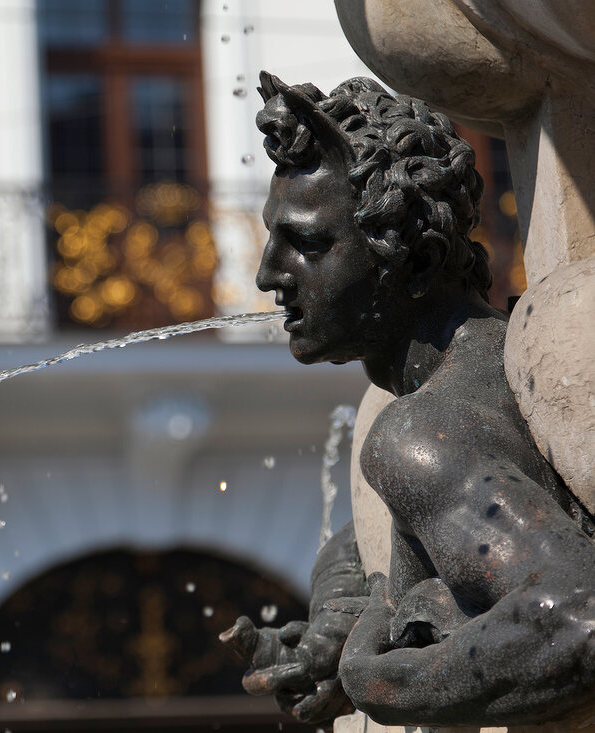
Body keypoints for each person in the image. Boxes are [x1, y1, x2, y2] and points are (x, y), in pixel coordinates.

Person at [221, 72, 595, 729]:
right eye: (274, 238)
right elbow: (449, 505)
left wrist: (376, 680)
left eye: (308, 244)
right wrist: (342, 607)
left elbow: (577, 616)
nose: (268, 274)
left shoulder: (416, 433)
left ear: (416, 262)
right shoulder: (483, 365)